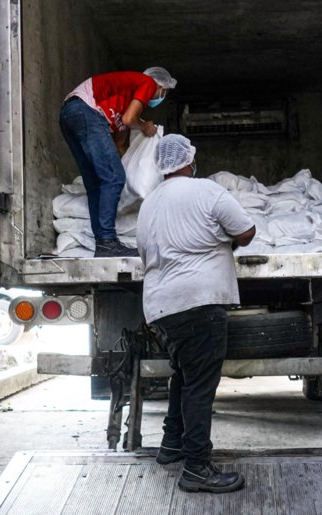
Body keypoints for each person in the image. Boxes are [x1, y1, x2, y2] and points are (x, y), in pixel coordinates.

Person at [136, 134, 257, 494]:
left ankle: (171, 445)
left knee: (184, 377)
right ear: (189, 160)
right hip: (199, 301)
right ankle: (197, 468)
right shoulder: (206, 190)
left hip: (161, 306)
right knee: (200, 387)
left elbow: (145, 253)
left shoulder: (149, 203)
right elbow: (247, 231)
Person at [60, 67, 177, 257]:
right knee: (113, 178)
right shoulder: (147, 83)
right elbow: (130, 119)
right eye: (164, 93)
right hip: (85, 110)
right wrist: (145, 127)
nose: (160, 97)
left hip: (70, 115)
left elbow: (120, 144)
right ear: (161, 86)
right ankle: (107, 241)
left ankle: (103, 243)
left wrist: (131, 173)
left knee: (97, 183)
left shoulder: (122, 104)